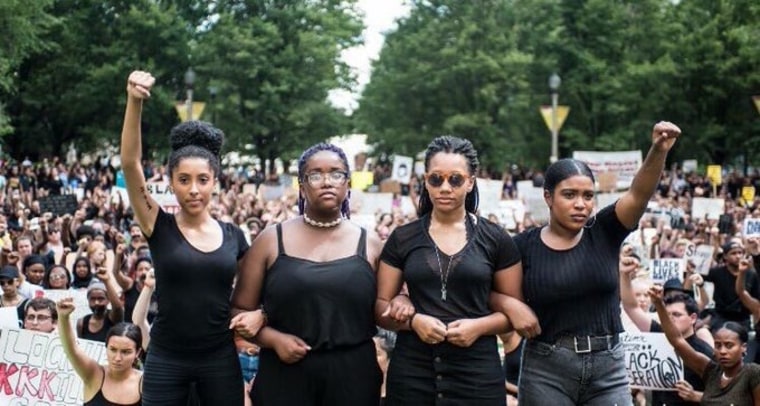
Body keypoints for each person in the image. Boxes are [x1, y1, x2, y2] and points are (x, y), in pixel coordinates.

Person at [516, 121, 682, 405]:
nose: (580, 204)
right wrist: (512, 306)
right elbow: (493, 289)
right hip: (546, 370)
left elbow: (638, 195)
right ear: (548, 197)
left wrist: (658, 150)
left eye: (588, 196)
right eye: (569, 195)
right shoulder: (522, 246)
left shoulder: (606, 230)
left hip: (609, 369)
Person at [375, 136, 534, 405]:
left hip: (476, 374)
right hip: (413, 372)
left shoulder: (496, 239)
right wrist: (414, 323)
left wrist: (479, 327)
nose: (445, 187)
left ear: (471, 181)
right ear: (425, 180)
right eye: (436, 179)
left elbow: (514, 313)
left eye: (456, 179)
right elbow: (380, 308)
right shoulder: (403, 238)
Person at [121, 70, 248, 404]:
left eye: (203, 179)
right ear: (171, 182)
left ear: (215, 182)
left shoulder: (235, 236)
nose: (194, 189)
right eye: (184, 179)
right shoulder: (157, 225)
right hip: (166, 358)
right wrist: (134, 101)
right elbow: (130, 163)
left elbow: (254, 296)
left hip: (219, 358)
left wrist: (259, 316)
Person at [231, 143, 381, 405]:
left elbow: (386, 308)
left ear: (348, 184)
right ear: (301, 185)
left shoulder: (371, 243)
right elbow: (238, 314)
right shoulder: (270, 241)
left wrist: (402, 302)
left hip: (353, 376)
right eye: (315, 175)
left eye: (336, 174)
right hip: (285, 373)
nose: (326, 182)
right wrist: (273, 339)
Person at [620, 255, 712, 405]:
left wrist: (695, 395)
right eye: (667, 315)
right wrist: (624, 275)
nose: (671, 319)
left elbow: (724, 396)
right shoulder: (657, 333)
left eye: (677, 314)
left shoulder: (705, 352)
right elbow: (631, 307)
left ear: (693, 318)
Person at [649, 285, 760, 404]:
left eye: (729, 346)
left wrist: (696, 396)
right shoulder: (710, 371)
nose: (722, 351)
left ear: (743, 347)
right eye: (718, 345)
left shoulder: (752, 373)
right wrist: (659, 303)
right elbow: (677, 340)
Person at [57, 297, 143, 406]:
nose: (117, 358)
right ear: (106, 347)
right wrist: (63, 317)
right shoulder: (94, 374)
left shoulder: (144, 383)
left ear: (138, 353)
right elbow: (71, 349)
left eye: (126, 352)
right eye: (113, 349)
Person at [77, 269, 124, 343]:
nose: (96, 302)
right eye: (92, 299)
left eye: (101, 298)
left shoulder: (113, 317)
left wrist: (107, 281)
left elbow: (118, 308)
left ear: (108, 300)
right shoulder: (81, 323)